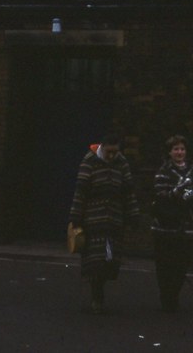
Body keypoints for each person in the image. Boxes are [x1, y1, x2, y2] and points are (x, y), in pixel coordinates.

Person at [68, 133, 140, 314]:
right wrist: (75, 216)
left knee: (109, 260)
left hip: (114, 219)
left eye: (115, 152)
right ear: (103, 146)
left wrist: (133, 215)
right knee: (95, 260)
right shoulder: (89, 161)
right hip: (93, 220)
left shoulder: (121, 163)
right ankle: (97, 296)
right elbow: (81, 191)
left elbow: (128, 190)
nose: (111, 156)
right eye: (109, 152)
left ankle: (99, 289)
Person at [150, 134, 193, 312]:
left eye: (182, 149)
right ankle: (166, 297)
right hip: (165, 225)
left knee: (182, 263)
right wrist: (177, 192)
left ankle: (174, 295)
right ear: (170, 152)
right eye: (176, 149)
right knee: (165, 264)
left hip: (185, 226)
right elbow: (160, 194)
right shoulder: (163, 171)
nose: (179, 152)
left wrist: (186, 195)